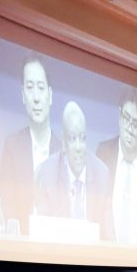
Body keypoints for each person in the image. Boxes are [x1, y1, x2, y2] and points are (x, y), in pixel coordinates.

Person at [0, 54, 61, 235]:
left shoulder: (63, 152)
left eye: (41, 88)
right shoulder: (12, 147)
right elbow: (8, 211)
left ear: (50, 95)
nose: (36, 97)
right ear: (22, 95)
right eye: (30, 87)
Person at [33, 101, 114, 240]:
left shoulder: (101, 174)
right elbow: (42, 235)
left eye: (82, 138)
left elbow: (109, 237)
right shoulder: (48, 173)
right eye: (72, 139)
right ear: (64, 143)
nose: (78, 147)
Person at [95, 89, 137, 246]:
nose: (129, 129)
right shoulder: (103, 153)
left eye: (135, 123)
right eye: (126, 118)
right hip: (105, 251)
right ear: (119, 116)